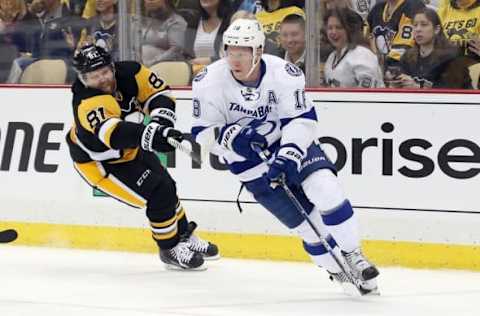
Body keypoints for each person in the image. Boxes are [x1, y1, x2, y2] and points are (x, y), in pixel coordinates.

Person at [191, 19, 380, 294]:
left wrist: (286, 157)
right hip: (250, 166)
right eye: (230, 50)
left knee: (326, 190)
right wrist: (233, 139)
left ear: (258, 51)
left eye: (243, 51)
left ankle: (354, 254)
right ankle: (336, 270)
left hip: (290, 145)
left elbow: (302, 120)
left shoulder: (284, 73)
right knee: (308, 226)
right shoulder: (208, 81)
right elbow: (203, 134)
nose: (235, 58)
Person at [66, 44, 219, 270]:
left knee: (167, 186)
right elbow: (115, 134)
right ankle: (169, 248)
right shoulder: (86, 100)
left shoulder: (131, 72)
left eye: (105, 72)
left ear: (112, 66)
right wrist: (153, 134)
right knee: (158, 193)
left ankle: (183, 235)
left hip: (130, 150)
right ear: (83, 78)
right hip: (101, 162)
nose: (103, 79)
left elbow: (159, 93)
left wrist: (161, 124)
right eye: (94, 76)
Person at [387, 7, 470, 88]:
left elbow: (449, 94)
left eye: (424, 25)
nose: (418, 29)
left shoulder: (452, 57)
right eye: (415, 25)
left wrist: (417, 87)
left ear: (437, 29)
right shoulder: (407, 56)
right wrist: (396, 85)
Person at [324, 7, 384, 88]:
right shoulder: (331, 57)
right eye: (330, 28)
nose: (333, 32)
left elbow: (368, 94)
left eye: (339, 27)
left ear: (349, 30)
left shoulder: (362, 54)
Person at [367, 0, 425, 68]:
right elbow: (362, 38)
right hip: (379, 67)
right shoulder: (377, 8)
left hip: (405, 68)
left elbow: (402, 51)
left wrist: (382, 66)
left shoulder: (413, 6)